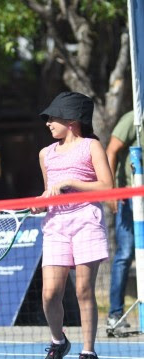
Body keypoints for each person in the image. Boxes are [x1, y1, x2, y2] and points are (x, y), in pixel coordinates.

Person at [32, 92, 114, 359]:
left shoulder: (91, 146)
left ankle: (88, 351)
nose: (48, 123)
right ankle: (58, 341)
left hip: (86, 222)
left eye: (53, 117)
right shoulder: (45, 154)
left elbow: (107, 187)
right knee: (49, 293)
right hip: (56, 225)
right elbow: (49, 192)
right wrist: (40, 203)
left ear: (72, 120)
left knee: (83, 289)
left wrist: (71, 182)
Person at [105, 110, 138, 332]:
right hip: (130, 197)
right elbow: (111, 151)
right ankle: (115, 314)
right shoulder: (133, 119)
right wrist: (112, 191)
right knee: (125, 254)